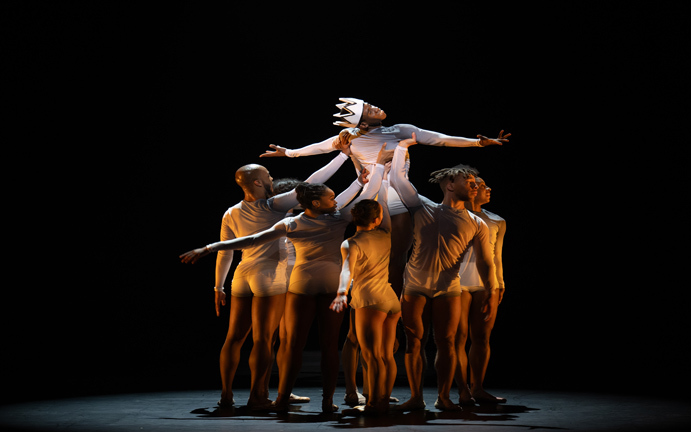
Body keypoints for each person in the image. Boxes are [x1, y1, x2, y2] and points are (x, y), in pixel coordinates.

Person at [180, 163, 384, 413]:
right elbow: (350, 194)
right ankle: (293, 398)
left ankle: (253, 396)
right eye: (330, 197)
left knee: (259, 340)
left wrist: (213, 261)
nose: (335, 199)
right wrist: (367, 172)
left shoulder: (260, 217)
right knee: (284, 341)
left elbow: (244, 244)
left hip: (264, 278)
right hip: (287, 279)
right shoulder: (317, 215)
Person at [260, 97, 510, 299]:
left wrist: (477, 144)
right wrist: (290, 153)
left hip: (398, 197)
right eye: (368, 108)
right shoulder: (351, 137)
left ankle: (398, 303)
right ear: (363, 122)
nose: (375, 106)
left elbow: (440, 139)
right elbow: (320, 147)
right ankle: (364, 300)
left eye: (370, 104)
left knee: (399, 255)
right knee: (370, 253)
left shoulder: (401, 130)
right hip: (371, 199)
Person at [204, 150, 351, 409]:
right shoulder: (272, 206)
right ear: (258, 183)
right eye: (268, 176)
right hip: (269, 275)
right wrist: (342, 156)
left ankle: (227, 395)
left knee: (234, 337)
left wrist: (218, 286)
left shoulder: (230, 212)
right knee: (264, 339)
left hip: (241, 275)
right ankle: (257, 396)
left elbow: (226, 251)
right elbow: (311, 183)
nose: (272, 178)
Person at [388, 133, 499, 412]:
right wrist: (402, 148)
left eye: (476, 183)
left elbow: (487, 262)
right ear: (450, 184)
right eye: (469, 182)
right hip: (414, 285)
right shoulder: (424, 207)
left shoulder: (477, 223)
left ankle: (444, 396)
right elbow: (399, 181)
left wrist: (490, 290)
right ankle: (416, 397)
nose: (474, 186)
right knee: (414, 341)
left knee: (447, 343)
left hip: (448, 287)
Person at [331, 145, 400, 415]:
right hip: (390, 300)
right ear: (379, 218)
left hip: (369, 300)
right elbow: (384, 209)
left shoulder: (351, 242)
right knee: (386, 354)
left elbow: (346, 270)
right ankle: (382, 398)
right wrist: (382, 176)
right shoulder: (386, 235)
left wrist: (341, 294)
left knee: (371, 356)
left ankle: (374, 403)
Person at [455, 176, 507, 405]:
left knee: (482, 337)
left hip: (486, 283)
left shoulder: (497, 221)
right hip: (457, 282)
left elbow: (497, 254)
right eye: (483, 185)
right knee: (458, 338)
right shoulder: (455, 215)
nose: (488, 188)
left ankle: (478, 388)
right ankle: (461, 390)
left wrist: (499, 282)